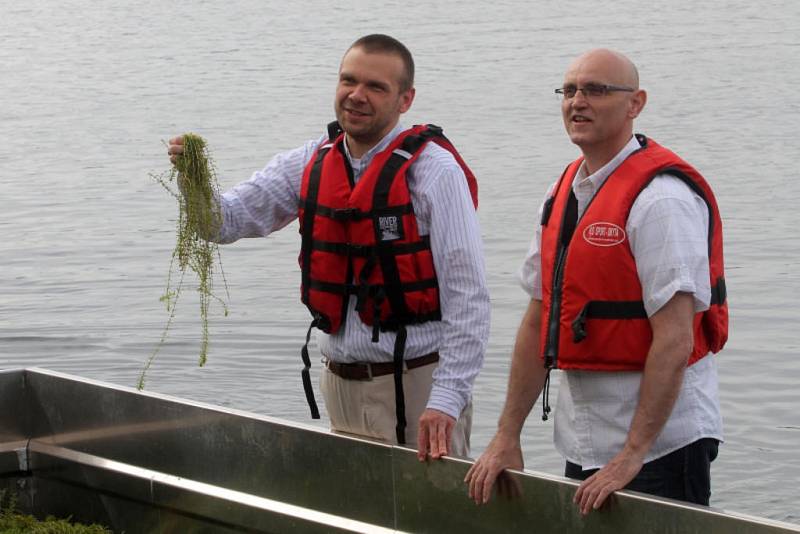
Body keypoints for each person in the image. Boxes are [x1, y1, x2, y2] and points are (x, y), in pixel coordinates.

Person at [167, 34, 489, 460]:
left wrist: (447, 398)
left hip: (418, 387)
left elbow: (469, 296)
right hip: (339, 384)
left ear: (405, 99)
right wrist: (192, 179)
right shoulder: (310, 161)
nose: (357, 96)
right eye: (348, 81)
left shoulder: (434, 172)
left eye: (376, 87)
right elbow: (221, 223)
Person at [465, 49, 728, 513]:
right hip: (584, 441)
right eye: (569, 91)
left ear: (636, 103)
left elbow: (675, 338)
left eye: (597, 90)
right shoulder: (562, 192)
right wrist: (507, 434)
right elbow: (538, 319)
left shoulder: (662, 200)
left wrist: (632, 456)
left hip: (661, 449)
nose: (578, 102)